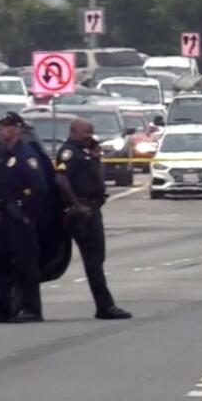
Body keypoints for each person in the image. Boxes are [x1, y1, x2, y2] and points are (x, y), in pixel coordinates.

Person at [54, 119, 132, 321]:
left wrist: (97, 158)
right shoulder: (68, 152)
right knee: (93, 260)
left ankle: (105, 305)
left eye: (92, 131)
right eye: (86, 131)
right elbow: (61, 179)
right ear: (73, 131)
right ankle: (105, 306)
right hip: (80, 212)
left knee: (97, 259)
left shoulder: (87, 153)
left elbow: (97, 180)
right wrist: (77, 206)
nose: (91, 135)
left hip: (93, 209)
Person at [0, 112, 46, 322]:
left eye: (4, 127)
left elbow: (39, 188)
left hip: (19, 217)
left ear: (16, 129)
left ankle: (32, 308)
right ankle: (1, 309)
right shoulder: (1, 153)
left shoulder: (26, 155)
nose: (0, 130)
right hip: (2, 217)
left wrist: (28, 215)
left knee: (25, 264)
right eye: (0, 127)